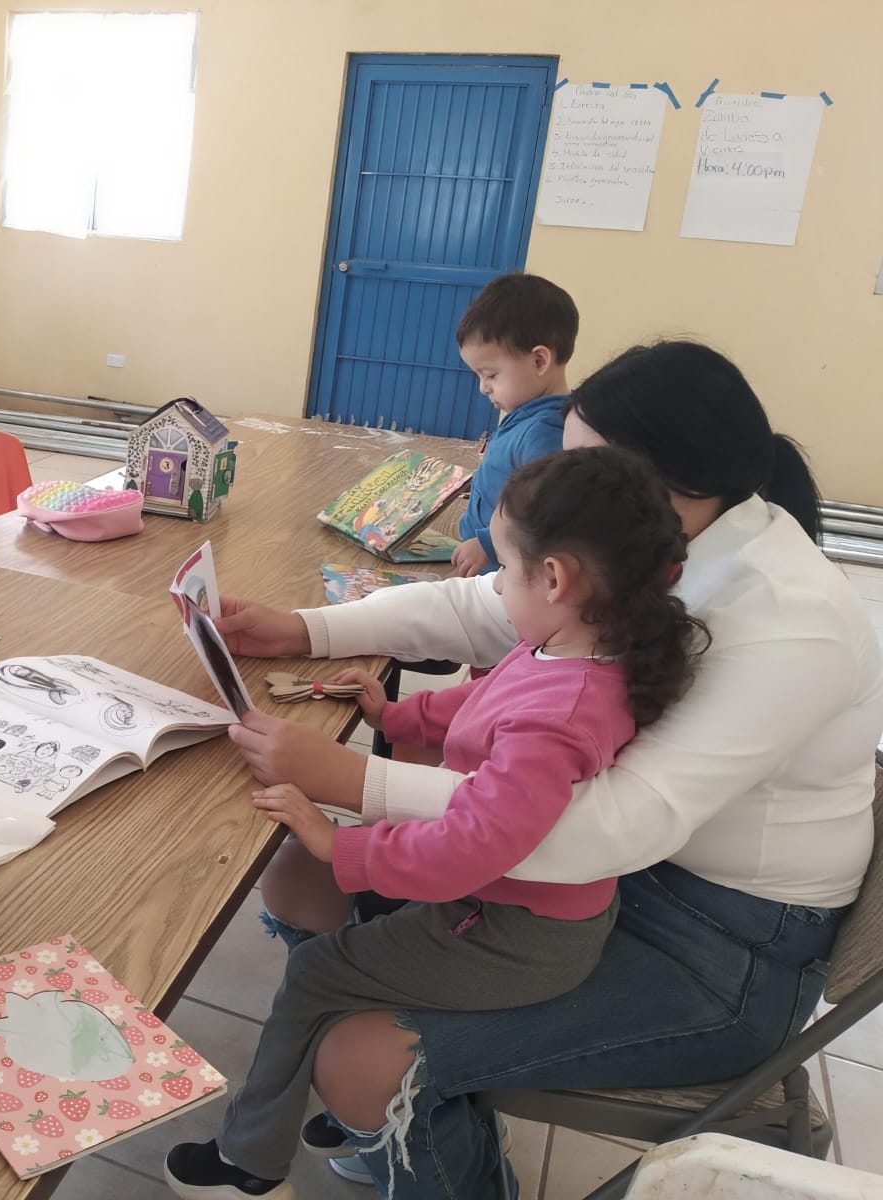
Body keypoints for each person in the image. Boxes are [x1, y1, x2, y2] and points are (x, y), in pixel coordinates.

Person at [209, 341, 882, 1198]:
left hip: (719, 949)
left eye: (576, 465)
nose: (554, 482)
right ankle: (396, 1109)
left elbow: (608, 828)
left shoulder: (790, 622)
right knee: (303, 879)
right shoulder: (645, 550)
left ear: (649, 487)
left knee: (362, 1059)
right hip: (604, 882)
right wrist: (305, 628)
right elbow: (490, 601)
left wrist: (354, 783)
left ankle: (418, 1122)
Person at [165, 448, 706, 1197]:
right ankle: (345, 1114)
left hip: (515, 933)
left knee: (318, 970)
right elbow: (485, 702)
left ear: (555, 579)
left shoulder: (562, 715)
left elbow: (475, 844)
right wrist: (398, 714)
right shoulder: (566, 646)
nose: (495, 586)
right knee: (323, 922)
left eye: (505, 569)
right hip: (505, 906)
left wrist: (342, 844)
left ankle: (247, 1163)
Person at [450, 273, 579, 577]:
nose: (483, 388)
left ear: (539, 362)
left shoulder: (546, 431)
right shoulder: (527, 416)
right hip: (483, 565)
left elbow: (546, 510)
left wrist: (488, 545)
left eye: (491, 375)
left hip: (505, 577)